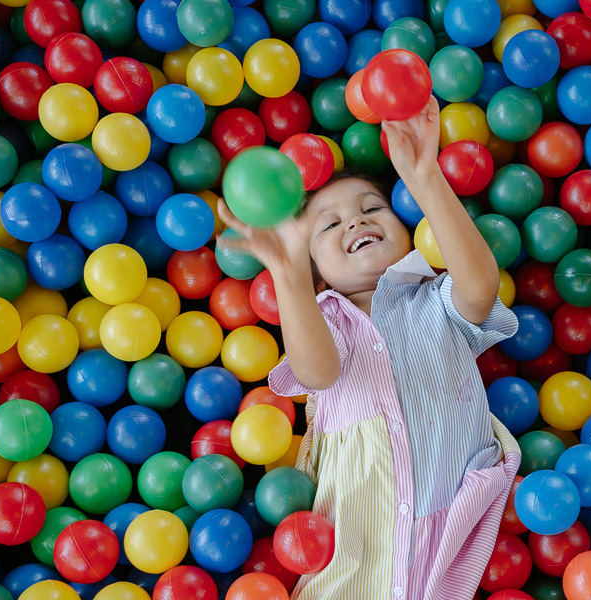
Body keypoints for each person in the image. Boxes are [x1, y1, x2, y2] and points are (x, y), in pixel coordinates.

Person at [217, 96, 521, 600]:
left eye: (372, 208)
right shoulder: (325, 319)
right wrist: (289, 277)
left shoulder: (435, 300)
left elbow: (480, 287)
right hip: (357, 549)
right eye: (329, 224)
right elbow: (316, 373)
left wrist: (425, 177)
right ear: (316, 270)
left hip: (448, 531)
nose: (355, 223)